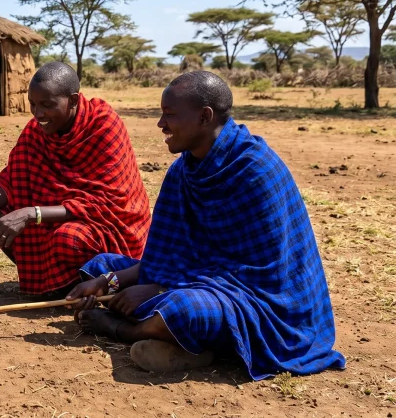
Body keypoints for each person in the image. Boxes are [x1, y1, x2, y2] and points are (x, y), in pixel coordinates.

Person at [67, 71, 346, 378]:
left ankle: (127, 330)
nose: (161, 125)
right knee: (98, 265)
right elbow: (167, 258)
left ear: (204, 117)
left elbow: (254, 276)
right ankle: (177, 338)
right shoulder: (183, 171)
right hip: (193, 282)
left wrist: (159, 288)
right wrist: (111, 281)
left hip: (264, 306)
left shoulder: (255, 171)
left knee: (184, 310)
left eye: (170, 115)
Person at [0, 62, 151, 296]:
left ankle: (88, 283)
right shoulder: (37, 130)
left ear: (74, 100)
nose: (38, 114)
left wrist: (31, 214)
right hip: (61, 216)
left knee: (67, 238)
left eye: (47, 105)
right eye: (33, 105)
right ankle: (53, 284)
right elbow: (10, 183)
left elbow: (105, 202)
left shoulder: (103, 126)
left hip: (111, 227)